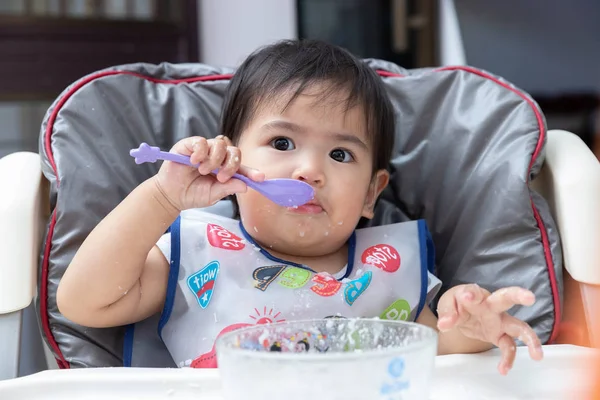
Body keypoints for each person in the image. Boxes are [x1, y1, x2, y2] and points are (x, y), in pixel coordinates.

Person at [57, 39, 543, 374]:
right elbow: (84, 302)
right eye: (283, 142)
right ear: (234, 161)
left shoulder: (390, 271)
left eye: (339, 154)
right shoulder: (198, 252)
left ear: (372, 193)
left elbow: (440, 347)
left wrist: (475, 326)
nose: (310, 170)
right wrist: (162, 198)